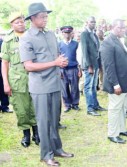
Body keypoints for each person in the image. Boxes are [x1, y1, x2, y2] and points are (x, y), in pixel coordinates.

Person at [19, 3, 73, 166]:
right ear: (33, 18)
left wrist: (61, 61)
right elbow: (28, 66)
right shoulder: (26, 38)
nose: (45, 19)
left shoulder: (50, 34)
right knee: (43, 121)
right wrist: (54, 62)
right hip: (40, 87)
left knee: (55, 119)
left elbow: (56, 55)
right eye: (42, 16)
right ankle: (46, 154)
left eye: (46, 16)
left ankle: (57, 149)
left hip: (55, 83)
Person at [1, 12, 39, 148]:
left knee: (35, 106)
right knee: (21, 109)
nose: (21, 24)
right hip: (17, 80)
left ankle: (37, 132)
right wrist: (6, 83)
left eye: (22, 21)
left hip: (34, 76)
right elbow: (5, 63)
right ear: (12, 24)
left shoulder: (32, 36)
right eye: (17, 22)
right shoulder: (8, 40)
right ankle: (26, 134)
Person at [101, 19, 127, 144]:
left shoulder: (121, 40)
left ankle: (121, 129)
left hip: (126, 81)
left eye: (123, 28)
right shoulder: (107, 42)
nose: (123, 30)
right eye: (120, 28)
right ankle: (112, 134)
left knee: (123, 107)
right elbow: (108, 67)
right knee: (115, 109)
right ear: (112, 27)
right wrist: (115, 84)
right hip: (117, 83)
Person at [81, 16, 106, 116]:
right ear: (87, 22)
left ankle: (95, 105)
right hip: (89, 65)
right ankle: (90, 108)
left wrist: (99, 65)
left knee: (93, 86)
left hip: (95, 64)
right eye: (91, 22)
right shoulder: (84, 34)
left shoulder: (94, 35)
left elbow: (97, 51)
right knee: (88, 87)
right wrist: (89, 66)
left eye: (94, 22)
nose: (93, 23)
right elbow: (85, 51)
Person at [59, 26, 81, 112]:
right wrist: (58, 70)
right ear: (62, 33)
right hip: (63, 69)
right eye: (65, 33)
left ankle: (75, 104)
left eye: (69, 33)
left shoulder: (76, 44)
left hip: (73, 68)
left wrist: (79, 69)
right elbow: (57, 56)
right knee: (64, 88)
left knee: (75, 87)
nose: (67, 35)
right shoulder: (59, 44)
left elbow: (79, 57)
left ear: (71, 33)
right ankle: (67, 105)